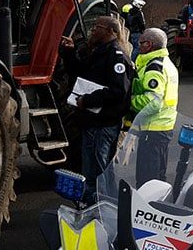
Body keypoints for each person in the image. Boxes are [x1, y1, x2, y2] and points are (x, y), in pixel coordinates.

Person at [59, 16, 131, 182]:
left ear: (110, 31)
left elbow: (118, 91)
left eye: (97, 27)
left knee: (98, 172)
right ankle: (91, 197)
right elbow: (80, 73)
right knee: (89, 170)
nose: (92, 30)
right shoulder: (97, 52)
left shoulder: (116, 56)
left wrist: (87, 100)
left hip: (103, 124)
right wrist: (70, 52)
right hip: (91, 121)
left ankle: (99, 198)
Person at [126, 28, 179, 185]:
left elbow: (153, 102)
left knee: (147, 179)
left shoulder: (154, 67)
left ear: (149, 45)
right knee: (157, 176)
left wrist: (129, 101)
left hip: (153, 129)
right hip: (162, 127)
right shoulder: (165, 63)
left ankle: (148, 200)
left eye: (140, 43)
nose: (138, 46)